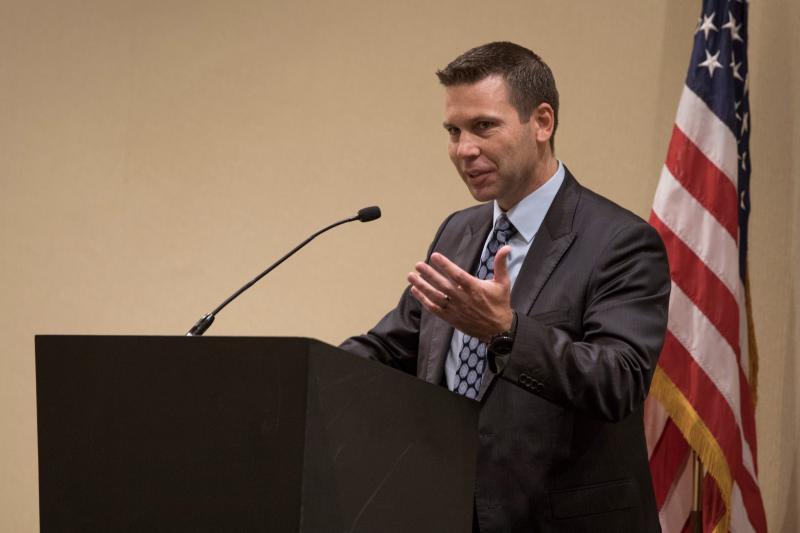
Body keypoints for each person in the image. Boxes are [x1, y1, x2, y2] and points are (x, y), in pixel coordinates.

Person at [340, 41, 669, 533]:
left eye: (483, 126)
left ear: (542, 122)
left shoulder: (620, 242)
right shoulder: (459, 231)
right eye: (453, 131)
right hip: (447, 510)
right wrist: (298, 372)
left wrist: (507, 331)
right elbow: (395, 348)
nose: (463, 149)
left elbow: (618, 381)